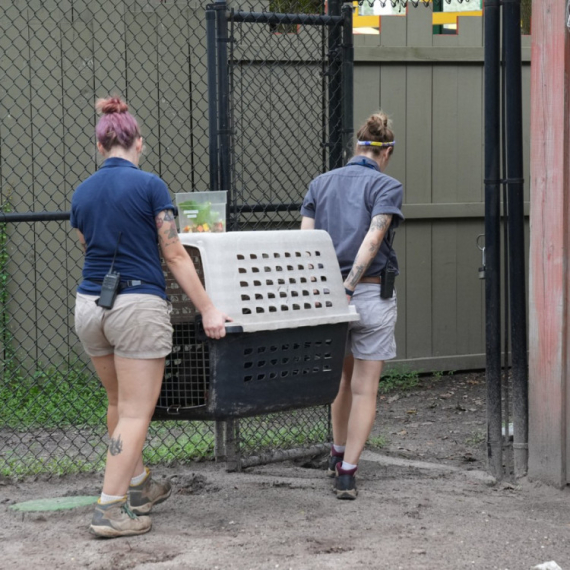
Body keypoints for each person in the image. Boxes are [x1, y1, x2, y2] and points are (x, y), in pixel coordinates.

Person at [71, 96, 230, 537]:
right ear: (138, 143)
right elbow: (175, 253)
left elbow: (88, 246)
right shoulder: (150, 186)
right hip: (137, 307)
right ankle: (108, 509)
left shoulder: (81, 192)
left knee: (119, 404)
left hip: (90, 306)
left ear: (100, 146)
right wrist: (208, 308)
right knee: (139, 412)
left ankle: (139, 487)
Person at [300, 111, 404, 499]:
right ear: (386, 151)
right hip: (371, 293)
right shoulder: (387, 186)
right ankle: (347, 472)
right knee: (365, 388)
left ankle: (336, 452)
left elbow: (306, 244)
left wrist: (326, 290)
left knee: (341, 380)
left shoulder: (320, 184)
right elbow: (373, 240)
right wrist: (350, 285)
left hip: (328, 296)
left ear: (355, 146)